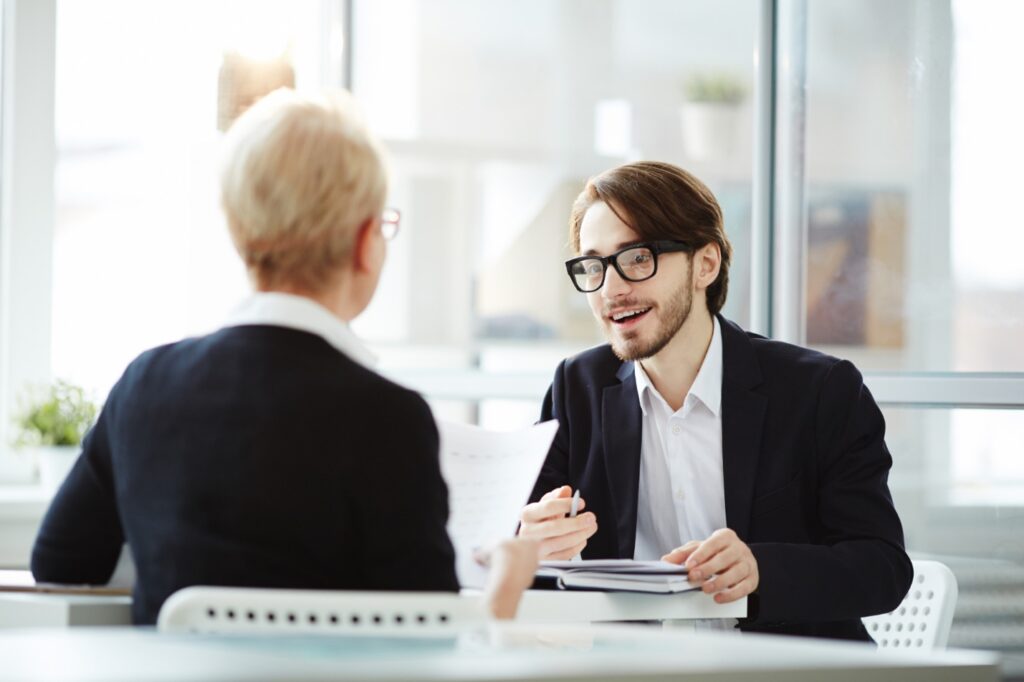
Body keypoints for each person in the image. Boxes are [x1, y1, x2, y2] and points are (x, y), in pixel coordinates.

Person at [31, 88, 537, 625]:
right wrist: (505, 585)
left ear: (239, 230)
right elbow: (427, 646)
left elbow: (61, 562)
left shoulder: (143, 385)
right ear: (368, 241)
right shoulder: (388, 417)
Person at [518, 161, 911, 641]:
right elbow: (532, 573)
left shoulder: (820, 390)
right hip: (634, 669)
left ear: (705, 264)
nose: (611, 288)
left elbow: (882, 566)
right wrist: (531, 547)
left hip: (786, 671)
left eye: (637, 258)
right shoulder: (575, 387)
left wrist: (760, 568)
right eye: (594, 265)